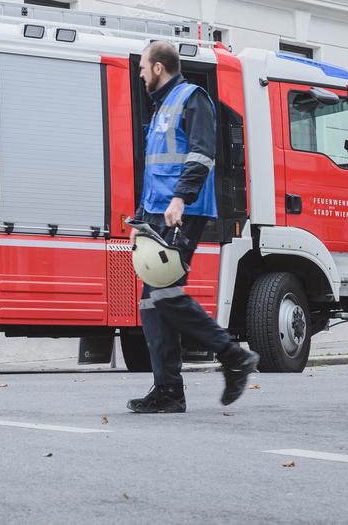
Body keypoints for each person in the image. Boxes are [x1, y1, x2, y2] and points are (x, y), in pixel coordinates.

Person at [127, 40, 259, 414]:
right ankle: (168, 390)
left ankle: (233, 355)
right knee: (153, 303)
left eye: (142, 67)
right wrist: (140, 218)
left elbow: (202, 153)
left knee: (164, 293)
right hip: (159, 211)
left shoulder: (192, 98)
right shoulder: (160, 107)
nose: (139, 73)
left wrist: (181, 198)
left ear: (158, 68)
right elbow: (154, 169)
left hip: (182, 211)